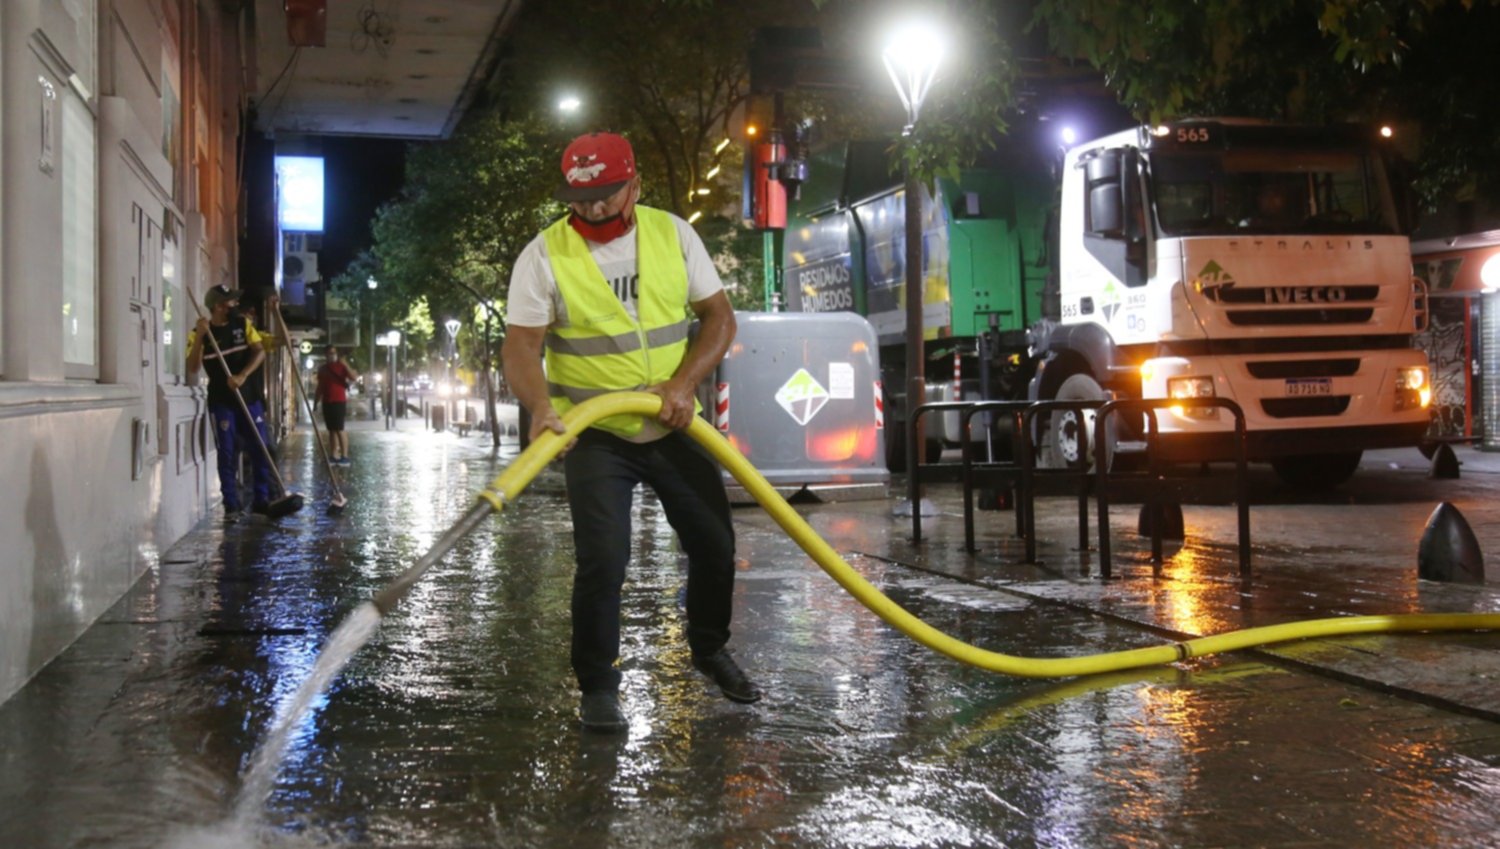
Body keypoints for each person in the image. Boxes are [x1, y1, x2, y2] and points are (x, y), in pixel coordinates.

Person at [501, 131, 759, 733]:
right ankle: (597, 685)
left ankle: (708, 647)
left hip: (673, 422)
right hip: (597, 435)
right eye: (581, 197)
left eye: (606, 194)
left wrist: (685, 382)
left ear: (635, 184)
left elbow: (718, 317)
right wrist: (540, 406)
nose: (592, 208)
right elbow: (521, 345)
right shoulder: (544, 254)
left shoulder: (673, 233)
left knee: (715, 545)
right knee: (603, 561)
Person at [187, 284, 273, 519]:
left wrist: (242, 375)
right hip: (222, 401)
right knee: (227, 451)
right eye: (231, 301)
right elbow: (193, 367)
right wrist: (200, 337)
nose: (235, 304)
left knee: (260, 447)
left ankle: (261, 499)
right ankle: (231, 504)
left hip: (249, 397)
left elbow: (260, 352)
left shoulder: (243, 325)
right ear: (218, 306)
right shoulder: (199, 333)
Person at [315, 345, 359, 464]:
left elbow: (354, 377)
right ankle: (333, 455)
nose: (332, 355)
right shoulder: (323, 369)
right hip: (327, 401)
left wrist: (345, 364)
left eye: (334, 353)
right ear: (325, 354)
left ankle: (344, 456)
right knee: (331, 430)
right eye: (329, 353)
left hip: (339, 401)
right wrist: (315, 401)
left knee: (339, 428)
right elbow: (320, 387)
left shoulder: (341, 367)